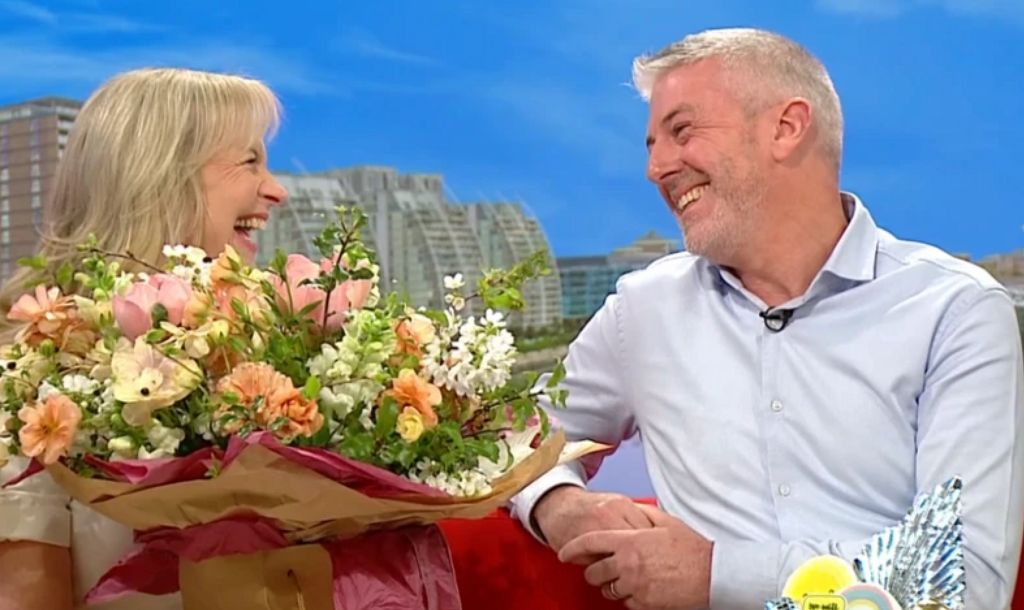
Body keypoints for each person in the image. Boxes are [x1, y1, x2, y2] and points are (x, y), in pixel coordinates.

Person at [511, 27, 1024, 609]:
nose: (656, 168)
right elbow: (513, 439)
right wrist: (559, 503)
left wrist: (716, 575)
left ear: (786, 127)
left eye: (681, 131)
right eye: (651, 144)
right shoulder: (643, 309)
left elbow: (964, 586)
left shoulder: (954, 312)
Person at [0, 67, 288, 610]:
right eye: (250, 161)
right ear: (159, 178)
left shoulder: (269, 367)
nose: (277, 190)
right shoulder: (28, 386)